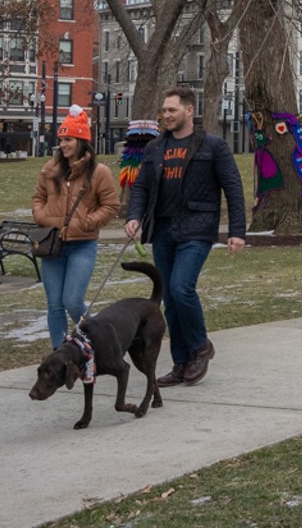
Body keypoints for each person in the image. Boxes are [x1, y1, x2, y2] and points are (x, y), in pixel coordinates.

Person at [126, 87, 246, 386]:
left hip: (197, 226)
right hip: (163, 228)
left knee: (182, 289)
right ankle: (181, 362)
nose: (166, 116)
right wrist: (133, 216)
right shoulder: (155, 148)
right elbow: (140, 187)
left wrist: (237, 232)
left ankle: (200, 347)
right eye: (164, 111)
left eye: (172, 110)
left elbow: (233, 188)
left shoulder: (212, 146)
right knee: (169, 297)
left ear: (189, 111)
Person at [31, 105, 120, 349]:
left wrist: (88, 222)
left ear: (81, 141)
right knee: (54, 304)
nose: (63, 144)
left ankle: (100, 341)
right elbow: (38, 197)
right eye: (61, 139)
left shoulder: (99, 172)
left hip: (83, 245)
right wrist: (41, 215)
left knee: (72, 300)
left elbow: (111, 206)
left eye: (68, 139)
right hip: (53, 244)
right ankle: (60, 352)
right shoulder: (50, 169)